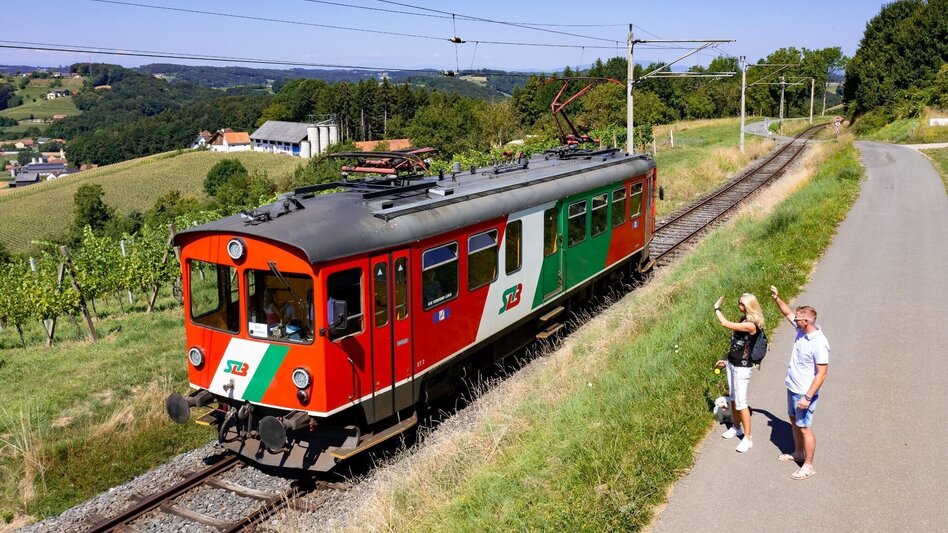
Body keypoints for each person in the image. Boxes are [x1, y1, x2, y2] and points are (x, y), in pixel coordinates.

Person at [770, 286, 829, 480]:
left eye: (797, 319)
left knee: (805, 427)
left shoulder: (819, 342)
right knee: (793, 420)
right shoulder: (801, 331)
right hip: (793, 388)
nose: (794, 320)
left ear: (806, 321)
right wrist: (777, 299)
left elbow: (822, 373)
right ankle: (798, 452)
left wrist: (807, 396)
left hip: (804, 393)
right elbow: (787, 312)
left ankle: (809, 465)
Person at [713, 293, 765, 453]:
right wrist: (725, 359)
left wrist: (717, 309)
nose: (739, 306)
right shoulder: (743, 320)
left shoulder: (752, 325)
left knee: (742, 403)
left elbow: (725, 324)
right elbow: (736, 344)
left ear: (749, 306)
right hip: (732, 364)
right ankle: (737, 428)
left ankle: (748, 438)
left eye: (741, 304)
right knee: (734, 399)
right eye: (739, 303)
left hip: (742, 367)